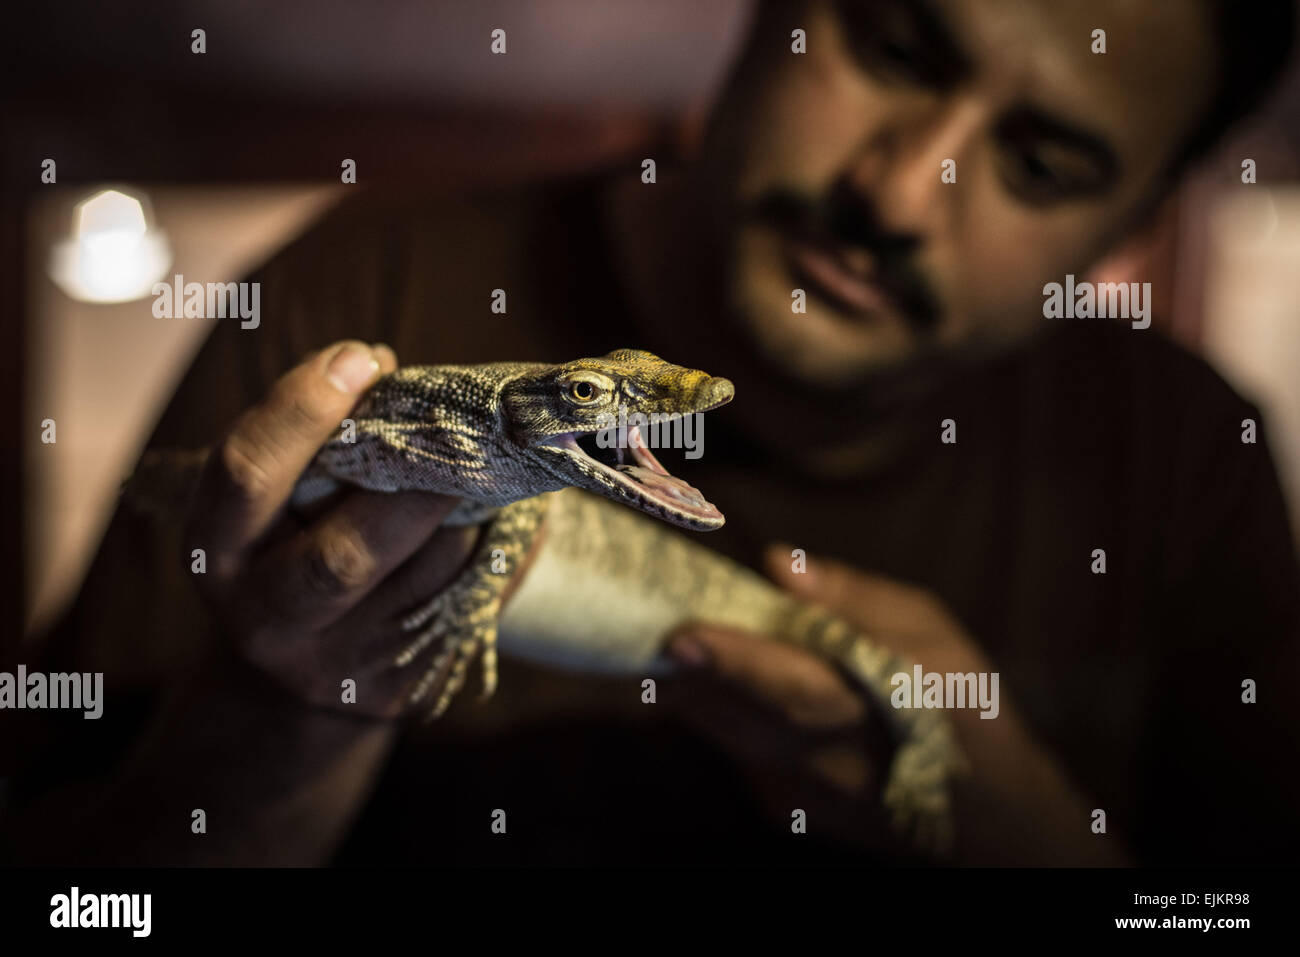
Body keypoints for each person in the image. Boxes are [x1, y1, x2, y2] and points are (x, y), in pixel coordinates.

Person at [6, 0, 1298, 866]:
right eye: (898, 44)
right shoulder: (347, 304)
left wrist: (1039, 847)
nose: (900, 192)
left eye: (1043, 164)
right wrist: (274, 732)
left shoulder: (1188, 453)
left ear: (1132, 226)